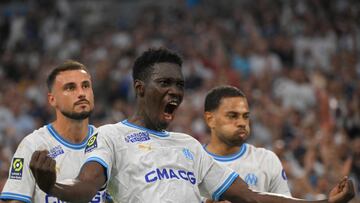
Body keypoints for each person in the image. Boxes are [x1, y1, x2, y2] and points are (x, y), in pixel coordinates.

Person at [29, 48, 354, 203]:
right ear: (140, 89)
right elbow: (87, 188)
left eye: (180, 85)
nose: (175, 91)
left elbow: (252, 198)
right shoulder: (110, 136)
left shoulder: (189, 145)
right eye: (165, 83)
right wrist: (52, 185)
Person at [0, 61, 110, 202]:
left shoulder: (107, 142)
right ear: (52, 100)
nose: (81, 93)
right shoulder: (33, 145)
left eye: (86, 86)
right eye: (70, 88)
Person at [202, 85, 291, 203]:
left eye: (246, 116)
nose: (242, 123)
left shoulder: (266, 160)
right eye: (233, 116)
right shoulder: (191, 163)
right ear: (210, 119)